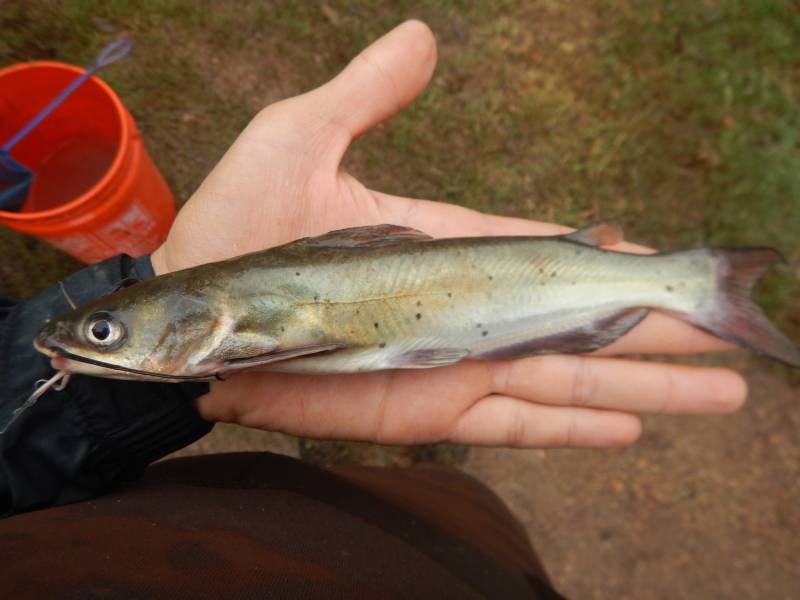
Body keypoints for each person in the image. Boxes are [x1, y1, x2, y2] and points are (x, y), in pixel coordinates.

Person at [0, 21, 746, 597]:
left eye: (106, 330)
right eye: (107, 330)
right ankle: (697, 284)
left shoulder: (221, 327)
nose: (99, 339)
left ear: (198, 323)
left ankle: (700, 284)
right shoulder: (203, 326)